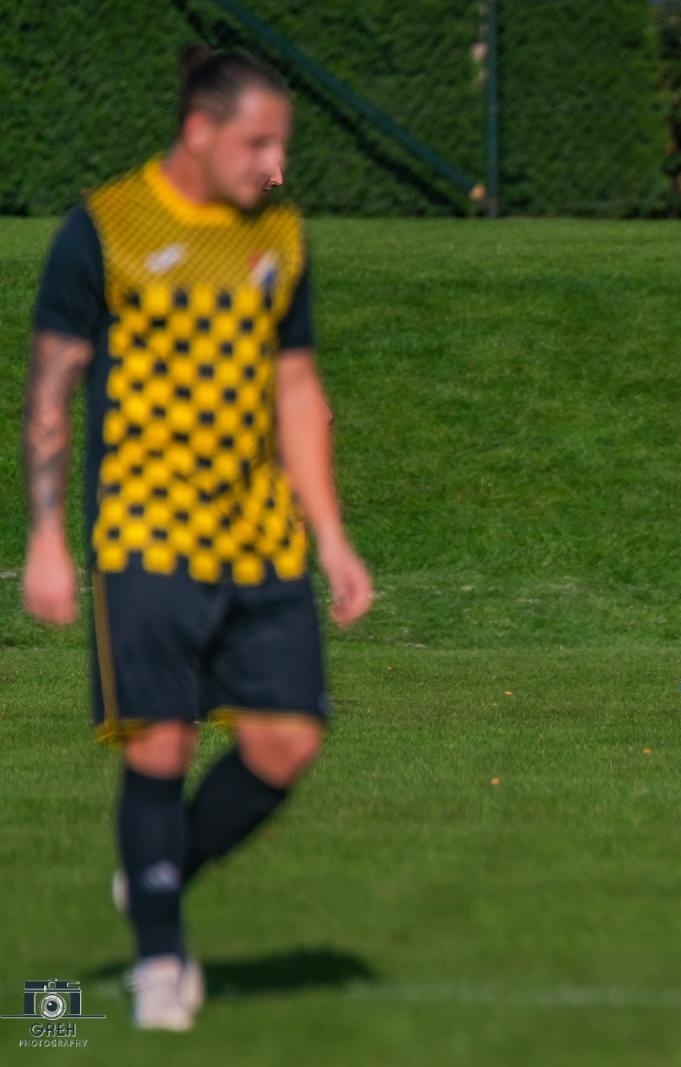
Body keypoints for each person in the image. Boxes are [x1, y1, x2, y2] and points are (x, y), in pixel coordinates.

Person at [20, 49, 372, 1031]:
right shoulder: (104, 229)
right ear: (200, 133)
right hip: (145, 537)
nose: (276, 166)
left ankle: (157, 871)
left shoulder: (281, 236)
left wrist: (334, 539)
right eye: (259, 144)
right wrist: (47, 533)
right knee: (161, 744)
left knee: (285, 741)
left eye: (283, 145)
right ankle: (162, 960)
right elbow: (53, 382)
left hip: (262, 543)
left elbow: (298, 387)